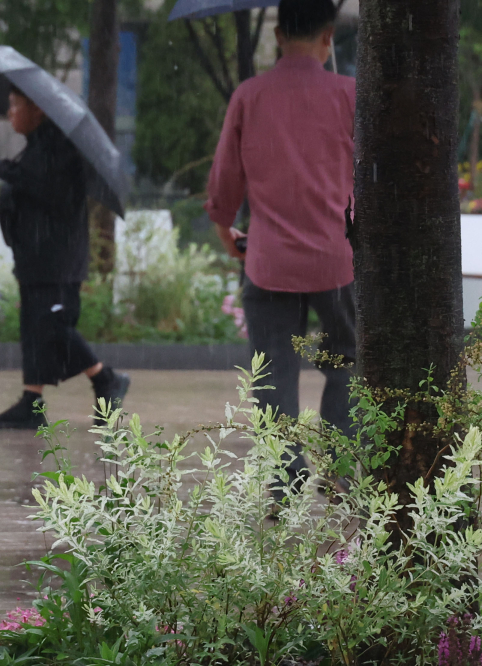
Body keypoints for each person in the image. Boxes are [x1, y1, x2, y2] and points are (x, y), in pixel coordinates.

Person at [205, 0, 356, 498]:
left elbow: (225, 184)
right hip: (338, 259)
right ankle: (341, 468)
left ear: (276, 34)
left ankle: (285, 479)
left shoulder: (250, 96)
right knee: (348, 363)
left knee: (272, 374)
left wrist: (228, 233)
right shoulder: (349, 95)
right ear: (328, 37)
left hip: (269, 260)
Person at [0, 89, 130, 430]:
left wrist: (3, 170)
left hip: (56, 258)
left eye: (15, 105)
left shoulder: (60, 148)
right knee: (33, 328)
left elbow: (47, 189)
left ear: (36, 109)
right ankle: (31, 402)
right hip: (35, 255)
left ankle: (105, 378)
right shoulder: (36, 145)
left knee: (51, 325)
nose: (10, 113)